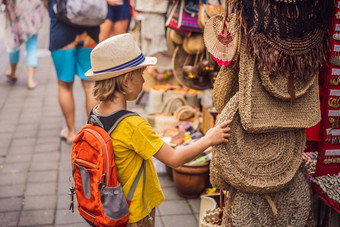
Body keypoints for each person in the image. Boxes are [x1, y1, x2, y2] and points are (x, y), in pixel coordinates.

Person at [85, 33, 232, 226]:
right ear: (126, 80)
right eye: (141, 74)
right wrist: (209, 139)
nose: (144, 81)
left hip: (109, 206)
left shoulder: (95, 114)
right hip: (134, 213)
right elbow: (174, 159)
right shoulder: (132, 125)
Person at [42, 0, 99, 144]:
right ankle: (93, 133)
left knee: (64, 85)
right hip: (89, 31)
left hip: (62, 31)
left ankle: (71, 131)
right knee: (90, 84)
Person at [1, 0, 44, 89]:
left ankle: (12, 72)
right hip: (31, 15)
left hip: (14, 17)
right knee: (32, 46)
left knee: (14, 46)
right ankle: (30, 80)